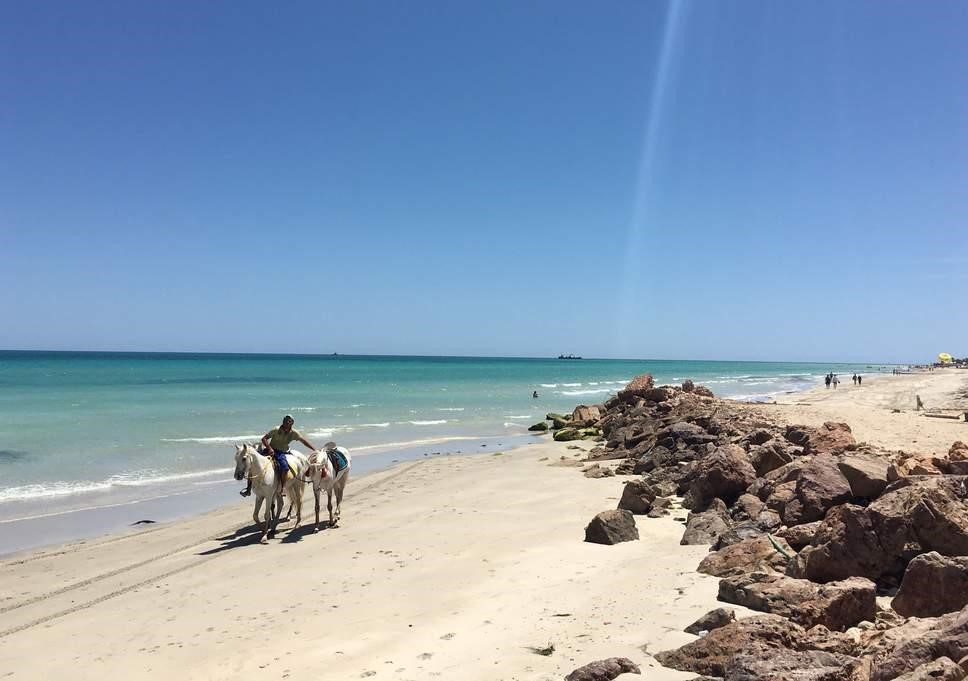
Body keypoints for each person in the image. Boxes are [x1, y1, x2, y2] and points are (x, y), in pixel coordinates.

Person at [240, 414, 318, 497]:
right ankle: (248, 489)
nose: (286, 422)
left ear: (292, 423)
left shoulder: (294, 433)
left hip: (281, 452)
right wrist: (269, 448)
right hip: (270, 450)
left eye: (289, 421)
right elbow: (264, 439)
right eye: (285, 420)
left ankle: (282, 488)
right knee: (253, 464)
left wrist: (314, 449)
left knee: (285, 468)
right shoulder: (276, 429)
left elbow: (303, 441)